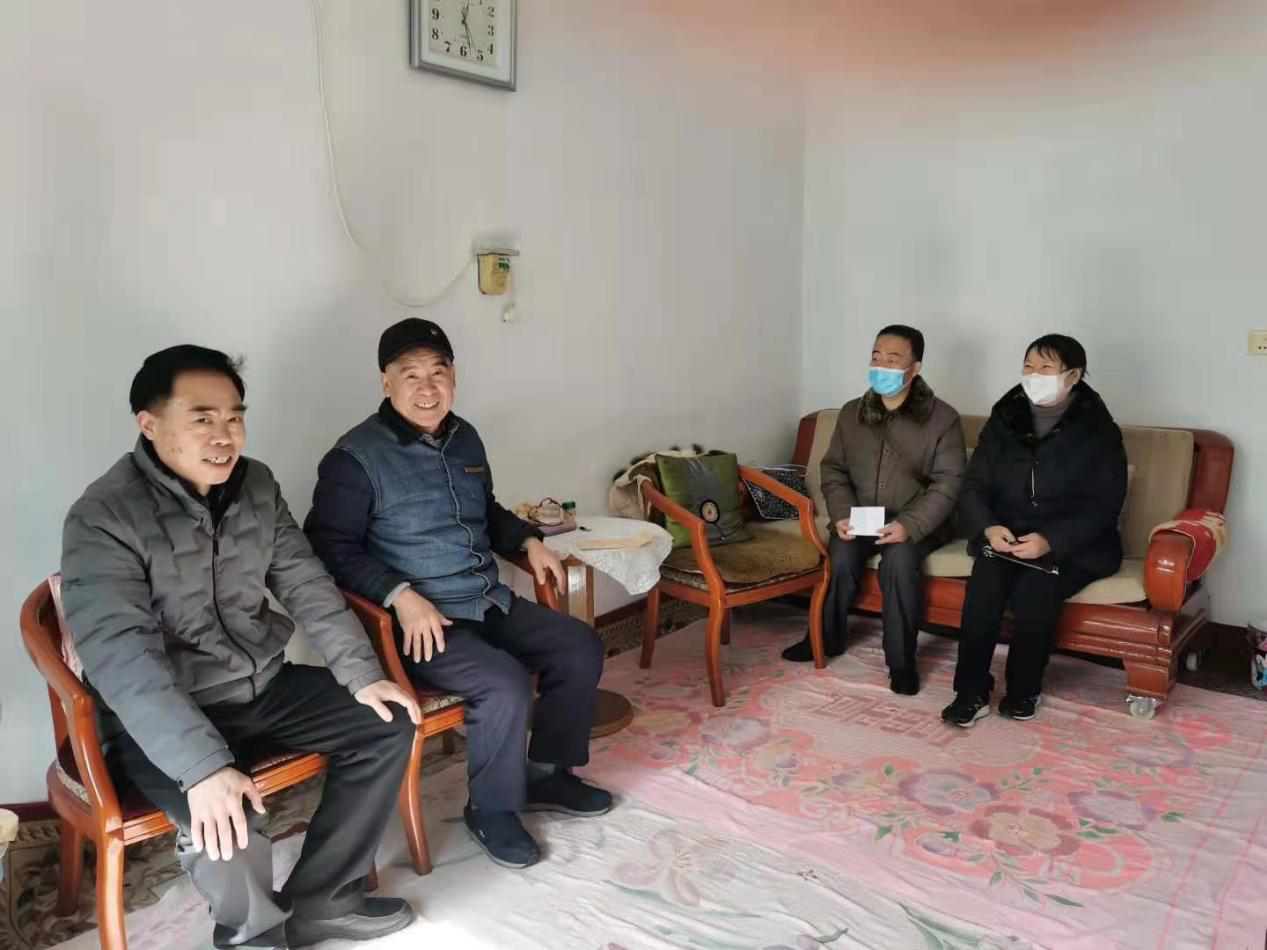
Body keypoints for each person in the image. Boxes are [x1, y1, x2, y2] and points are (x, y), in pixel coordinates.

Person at [60, 346, 423, 949]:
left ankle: (325, 899)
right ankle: (252, 934)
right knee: (228, 814)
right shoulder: (103, 516)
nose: (224, 435)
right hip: (167, 715)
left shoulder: (256, 485)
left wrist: (362, 673)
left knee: (388, 721)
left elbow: (305, 583)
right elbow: (121, 656)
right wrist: (202, 767)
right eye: (202, 418)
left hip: (264, 686)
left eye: (234, 417)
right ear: (149, 424)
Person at [304, 318, 612, 871]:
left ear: (454, 377)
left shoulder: (465, 436)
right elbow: (327, 545)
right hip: (422, 624)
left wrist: (527, 540)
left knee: (578, 645)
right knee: (504, 684)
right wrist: (398, 593)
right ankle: (491, 810)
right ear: (386, 383)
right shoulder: (354, 458)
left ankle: (545, 774)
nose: (427, 387)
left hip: (486, 599)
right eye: (411, 375)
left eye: (438, 372)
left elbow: (486, 511)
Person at [942, 334, 1127, 727]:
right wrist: (989, 526)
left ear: (1073, 376)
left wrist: (1050, 540)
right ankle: (970, 691)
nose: (1034, 374)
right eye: (1029, 365)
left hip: (1073, 543)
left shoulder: (1099, 429)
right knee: (984, 588)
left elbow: (1105, 505)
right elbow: (974, 484)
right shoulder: (1004, 418)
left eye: (1046, 367)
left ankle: (1024, 690)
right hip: (1006, 535)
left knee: (1035, 589)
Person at [782, 325, 966, 695]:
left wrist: (909, 525)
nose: (881, 366)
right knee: (840, 553)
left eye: (893, 360)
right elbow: (834, 470)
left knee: (899, 561)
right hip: (863, 515)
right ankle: (824, 638)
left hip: (919, 520)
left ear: (915, 367)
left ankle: (901, 662)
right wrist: (842, 515)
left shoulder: (942, 418)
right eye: (876, 357)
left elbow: (949, 482)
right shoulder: (852, 413)